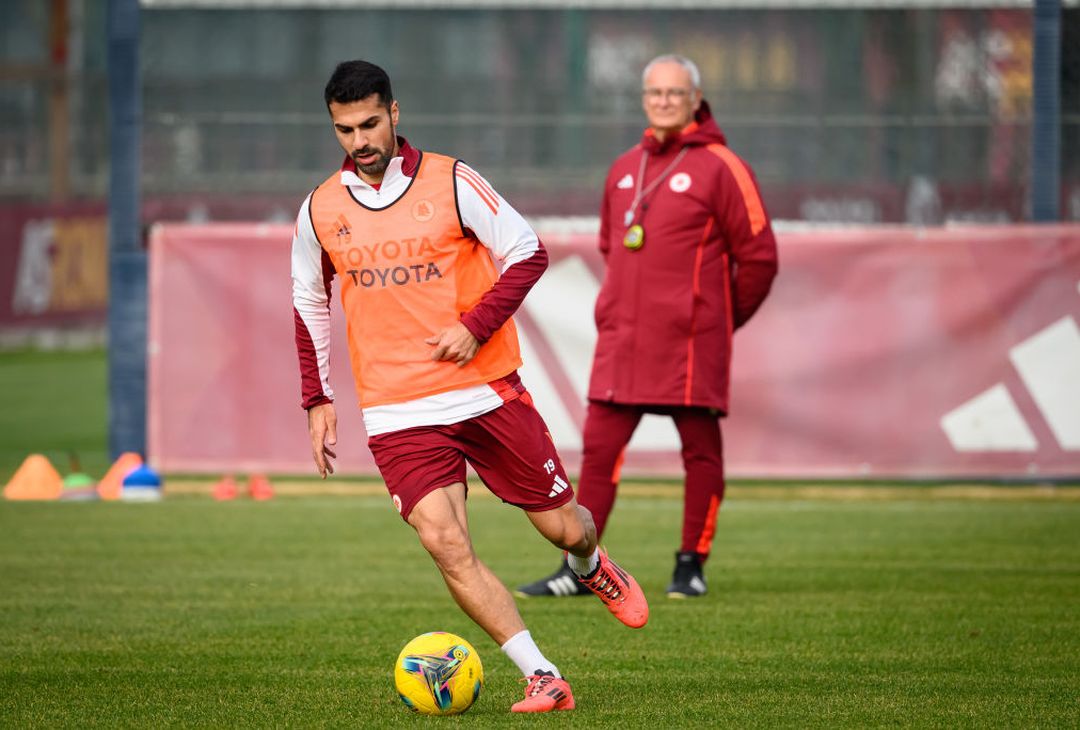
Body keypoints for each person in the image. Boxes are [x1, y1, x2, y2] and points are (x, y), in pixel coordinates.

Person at [290, 60, 649, 714]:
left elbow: (528, 251)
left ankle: (592, 564)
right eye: (345, 129)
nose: (360, 140)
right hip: (396, 408)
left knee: (564, 528)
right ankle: (542, 676)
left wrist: (474, 327)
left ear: (394, 113)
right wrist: (317, 398)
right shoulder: (320, 208)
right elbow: (309, 300)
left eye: (370, 124)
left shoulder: (452, 180)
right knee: (445, 542)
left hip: (483, 389)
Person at [517, 54, 778, 600]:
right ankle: (579, 568)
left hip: (691, 345)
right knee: (598, 451)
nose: (663, 101)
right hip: (624, 341)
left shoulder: (723, 166)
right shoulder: (623, 168)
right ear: (643, 99)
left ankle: (690, 565)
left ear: (695, 100)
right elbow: (612, 246)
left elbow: (759, 259)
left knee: (700, 452)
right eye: (654, 92)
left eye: (675, 93)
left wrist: (716, 323)